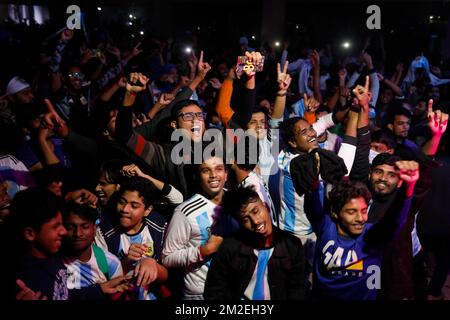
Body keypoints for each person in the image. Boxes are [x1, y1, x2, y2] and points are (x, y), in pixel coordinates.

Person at [303, 157, 419, 300]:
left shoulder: (372, 237)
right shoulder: (326, 227)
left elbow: (394, 220)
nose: (360, 218)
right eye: (351, 212)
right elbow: (312, 205)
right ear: (335, 212)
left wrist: (409, 186)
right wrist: (312, 179)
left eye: (364, 211)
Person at [204, 185, 305, 300]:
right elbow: (214, 292)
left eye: (256, 211)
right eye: (246, 219)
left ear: (266, 206)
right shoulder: (229, 248)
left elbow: (297, 290)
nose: (255, 221)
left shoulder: (292, 246)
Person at [161, 155, 228, 300]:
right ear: (198, 176)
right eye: (206, 170)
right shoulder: (185, 212)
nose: (213, 175)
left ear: (226, 174)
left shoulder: (236, 201)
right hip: (201, 293)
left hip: (234, 287)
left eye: (219, 169)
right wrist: (204, 250)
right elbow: (167, 257)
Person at [95, 176, 168, 300]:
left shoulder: (160, 227)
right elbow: (103, 282)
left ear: (147, 210)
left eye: (134, 206)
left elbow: (168, 275)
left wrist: (152, 264)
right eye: (122, 202)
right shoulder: (104, 232)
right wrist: (126, 262)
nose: (124, 209)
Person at [62, 203, 129, 298]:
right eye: (70, 227)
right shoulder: (54, 261)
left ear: (94, 229)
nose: (78, 233)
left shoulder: (110, 262)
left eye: (85, 226)